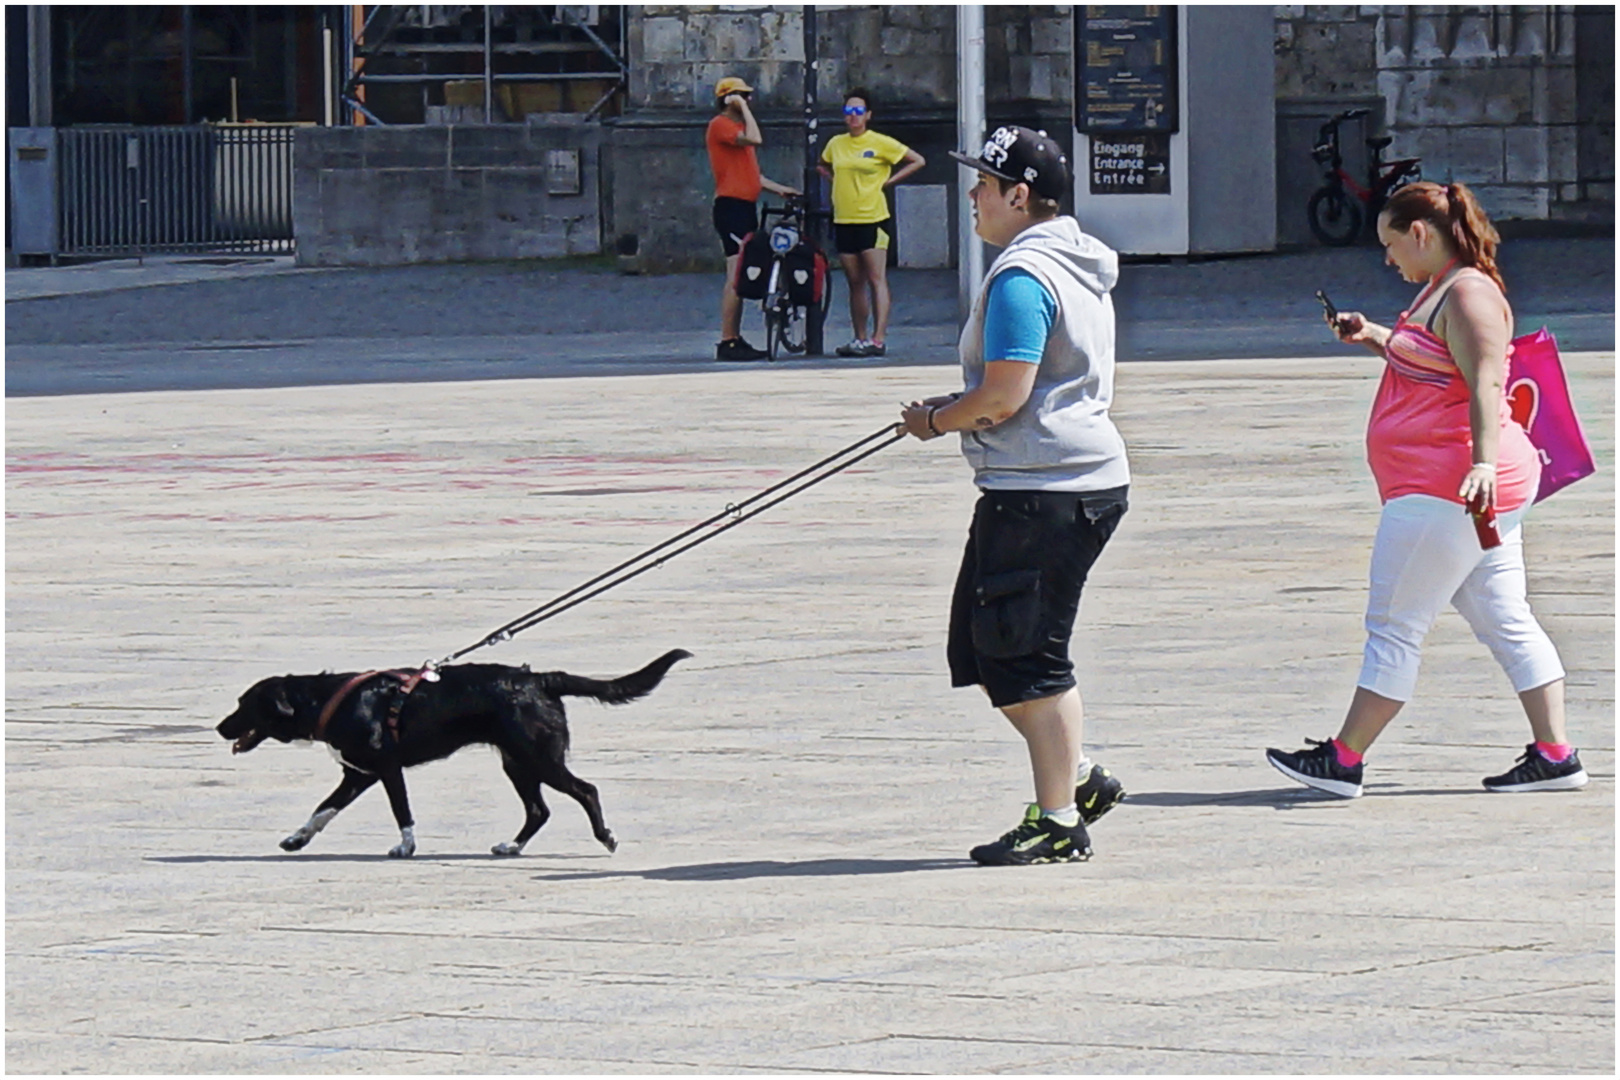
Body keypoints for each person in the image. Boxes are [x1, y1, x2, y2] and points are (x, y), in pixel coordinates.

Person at [1266, 181, 1587, 798]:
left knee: (1394, 623)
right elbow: (1438, 362)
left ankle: (1344, 760)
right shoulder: (1441, 291)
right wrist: (1374, 336)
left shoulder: (1468, 295)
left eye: (1391, 245)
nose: (1388, 261)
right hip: (1453, 486)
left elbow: (1488, 384)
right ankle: (1555, 754)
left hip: (1449, 486)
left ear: (1421, 233)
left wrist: (1484, 465)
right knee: (1505, 618)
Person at [898, 126, 1129, 866]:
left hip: (1046, 489)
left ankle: (1058, 818)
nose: (972, 196)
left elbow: (1006, 393)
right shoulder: (1069, 261)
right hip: (1051, 479)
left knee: (1030, 656)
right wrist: (957, 406)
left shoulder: (1025, 276)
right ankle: (1079, 775)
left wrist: (937, 421)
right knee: (983, 647)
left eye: (983, 184)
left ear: (1018, 195)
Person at [817, 88, 925, 357]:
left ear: (867, 115)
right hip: (844, 217)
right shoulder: (836, 144)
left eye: (858, 112)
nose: (853, 117)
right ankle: (859, 337)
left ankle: (878, 338)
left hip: (872, 217)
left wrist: (888, 181)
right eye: (848, 112)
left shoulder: (880, 142)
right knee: (855, 281)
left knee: (876, 278)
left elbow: (916, 160)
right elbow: (822, 164)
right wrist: (836, 182)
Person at [706, 76, 800, 363]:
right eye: (740, 96)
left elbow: (750, 174)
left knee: (745, 270)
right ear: (727, 99)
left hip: (745, 205)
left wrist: (779, 189)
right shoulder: (721, 125)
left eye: (748, 96)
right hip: (730, 207)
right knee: (735, 274)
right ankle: (728, 340)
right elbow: (757, 138)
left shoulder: (736, 130)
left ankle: (735, 337)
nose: (747, 100)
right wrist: (743, 110)